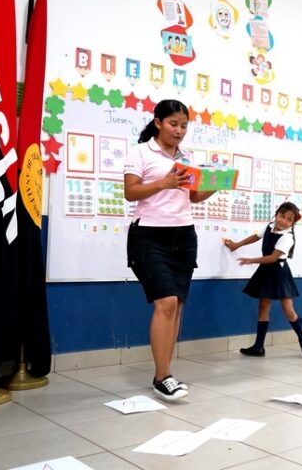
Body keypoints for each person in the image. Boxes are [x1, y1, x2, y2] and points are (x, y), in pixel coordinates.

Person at [124, 99, 215, 401]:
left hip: (184, 236)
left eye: (184, 125)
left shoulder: (186, 159)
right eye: (174, 124)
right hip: (148, 235)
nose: (179, 130)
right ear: (158, 122)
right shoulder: (140, 152)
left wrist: (216, 183)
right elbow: (130, 192)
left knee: (177, 304)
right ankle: (163, 376)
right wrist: (163, 183)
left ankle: (164, 372)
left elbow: (195, 197)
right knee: (166, 301)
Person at [223, 202, 302, 357]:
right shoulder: (270, 226)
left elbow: (272, 258)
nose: (283, 221)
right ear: (276, 214)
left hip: (279, 272)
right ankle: (258, 347)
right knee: (263, 307)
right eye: (281, 216)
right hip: (266, 271)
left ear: (292, 223)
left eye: (289, 220)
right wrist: (237, 245)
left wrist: (251, 260)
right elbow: (255, 237)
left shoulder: (287, 237)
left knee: (288, 309)